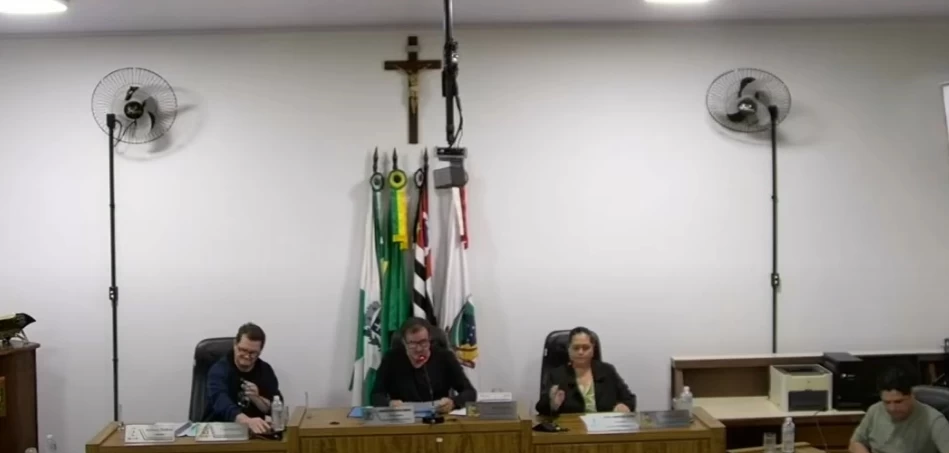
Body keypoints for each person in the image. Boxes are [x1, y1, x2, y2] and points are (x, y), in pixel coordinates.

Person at [370, 317, 477, 414]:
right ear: (404, 342)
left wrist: (453, 402)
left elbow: (470, 392)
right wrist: (389, 404)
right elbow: (376, 395)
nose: (419, 349)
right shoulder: (391, 359)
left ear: (429, 339)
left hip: (438, 419)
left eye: (423, 342)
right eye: (412, 343)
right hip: (403, 420)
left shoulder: (445, 357)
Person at [535, 327, 636, 416]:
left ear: (593, 349)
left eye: (586, 348)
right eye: (576, 348)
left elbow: (629, 399)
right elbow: (541, 408)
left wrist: (625, 406)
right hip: (572, 429)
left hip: (604, 428)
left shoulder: (607, 371)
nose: (580, 352)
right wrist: (552, 404)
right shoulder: (557, 375)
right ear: (568, 349)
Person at [205, 323, 283, 434]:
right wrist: (246, 421)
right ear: (235, 344)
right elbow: (220, 401)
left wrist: (257, 398)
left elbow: (276, 406)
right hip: (220, 431)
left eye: (253, 353)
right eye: (243, 350)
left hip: (254, 434)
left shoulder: (265, 370)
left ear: (260, 351)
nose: (247, 356)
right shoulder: (219, 370)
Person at [850, 367, 949, 453]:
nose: (892, 408)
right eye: (887, 402)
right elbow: (856, 442)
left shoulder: (934, 420)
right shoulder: (874, 411)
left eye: (898, 402)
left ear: (912, 395)